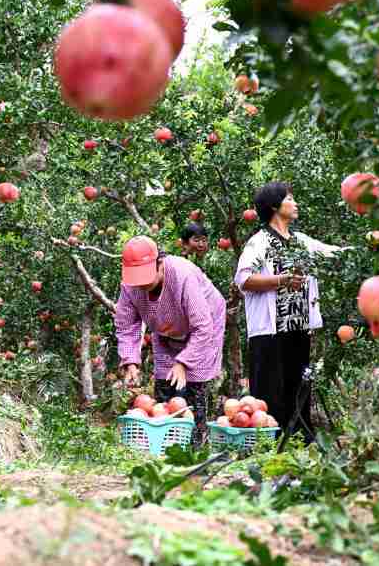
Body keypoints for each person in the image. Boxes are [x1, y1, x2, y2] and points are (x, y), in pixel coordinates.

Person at [235, 182, 348, 443]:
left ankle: (299, 442)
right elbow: (243, 279)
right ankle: (268, 443)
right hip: (269, 331)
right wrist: (281, 280)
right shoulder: (259, 242)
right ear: (275, 206)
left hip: (298, 326)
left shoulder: (301, 241)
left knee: (298, 389)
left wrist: (370, 246)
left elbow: (333, 254)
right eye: (289, 199)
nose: (295, 203)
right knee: (271, 392)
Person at [115, 235, 226, 447]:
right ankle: (164, 443)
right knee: (164, 381)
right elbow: (126, 324)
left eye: (146, 277)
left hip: (204, 325)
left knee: (193, 382)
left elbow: (203, 326)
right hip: (165, 328)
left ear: (159, 264)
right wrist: (130, 361)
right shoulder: (130, 285)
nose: (142, 284)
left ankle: (196, 444)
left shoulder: (182, 275)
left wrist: (184, 362)